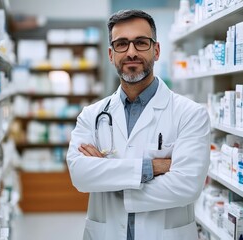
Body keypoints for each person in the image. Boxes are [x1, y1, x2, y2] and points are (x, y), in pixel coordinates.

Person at [66, 9, 210, 240]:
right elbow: (80, 175)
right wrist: (151, 168)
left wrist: (109, 181)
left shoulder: (190, 114)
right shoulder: (91, 115)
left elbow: (186, 187)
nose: (131, 52)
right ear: (111, 54)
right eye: (122, 44)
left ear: (157, 50)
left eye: (141, 43)